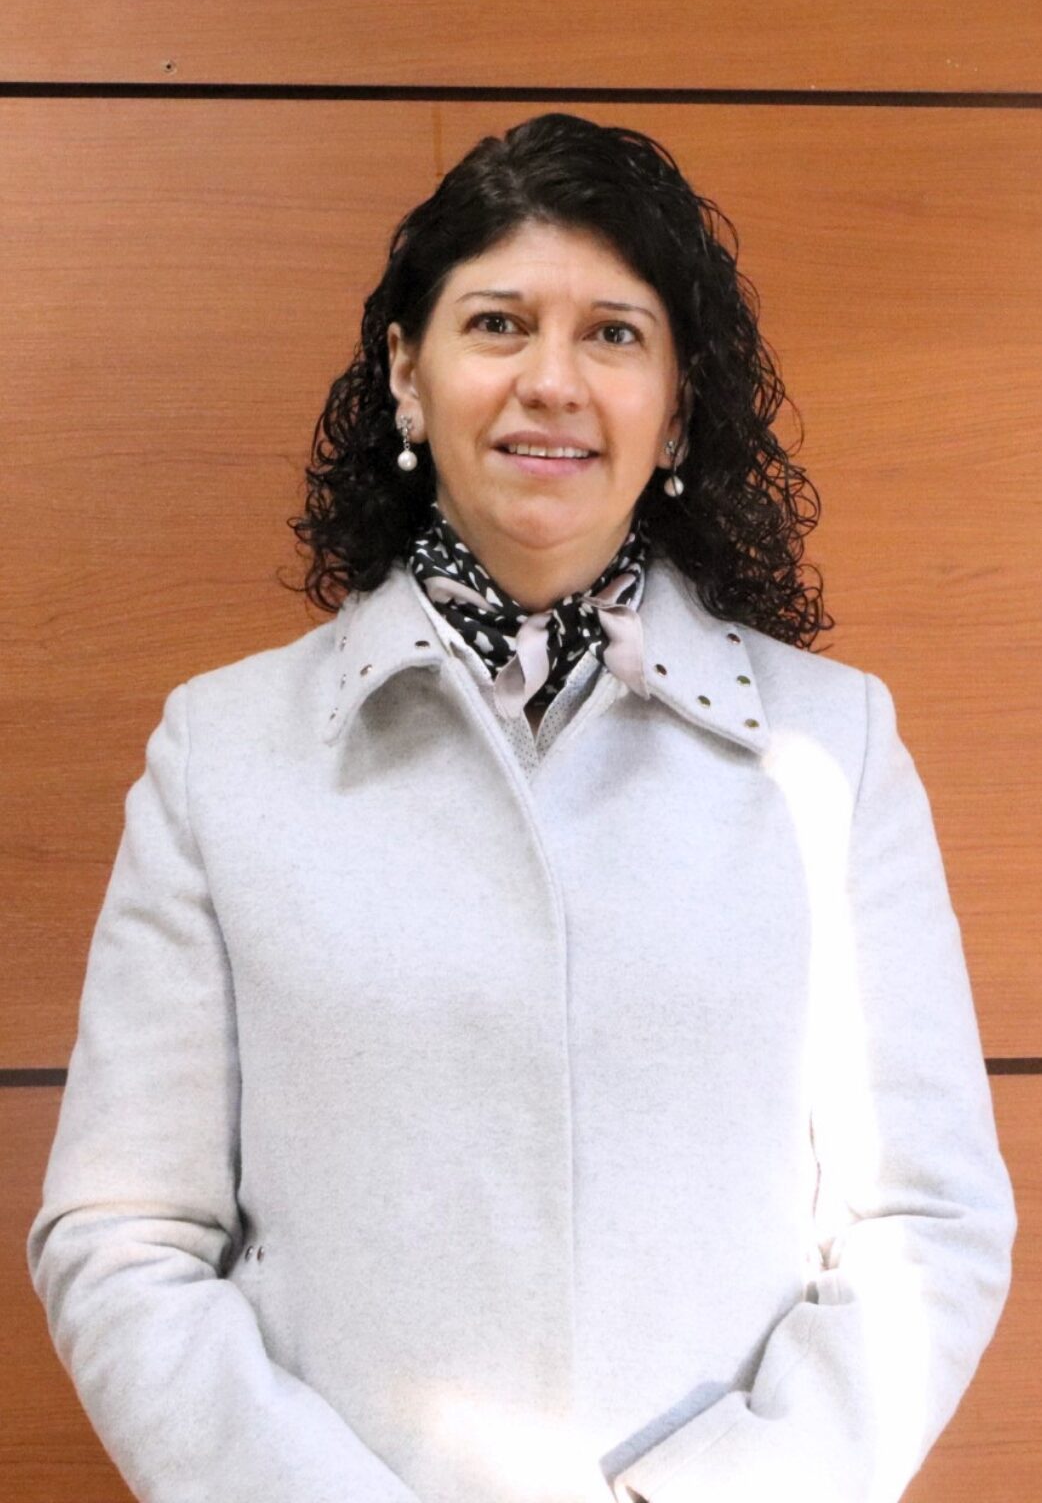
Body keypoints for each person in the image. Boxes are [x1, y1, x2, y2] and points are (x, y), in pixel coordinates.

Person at [27, 111, 1015, 1503]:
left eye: (613, 334)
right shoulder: (223, 752)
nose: (551, 381)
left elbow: (926, 1219)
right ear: (407, 375)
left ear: (676, 406)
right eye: (497, 323)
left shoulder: (831, 748)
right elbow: (124, 1237)